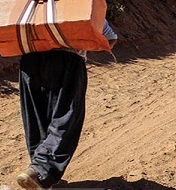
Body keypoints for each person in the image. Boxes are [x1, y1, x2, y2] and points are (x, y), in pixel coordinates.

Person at [16, 20, 117, 189]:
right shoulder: (81, 0)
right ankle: (41, 171)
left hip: (29, 62)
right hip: (68, 60)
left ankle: (39, 174)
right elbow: (110, 38)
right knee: (65, 119)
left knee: (36, 120)